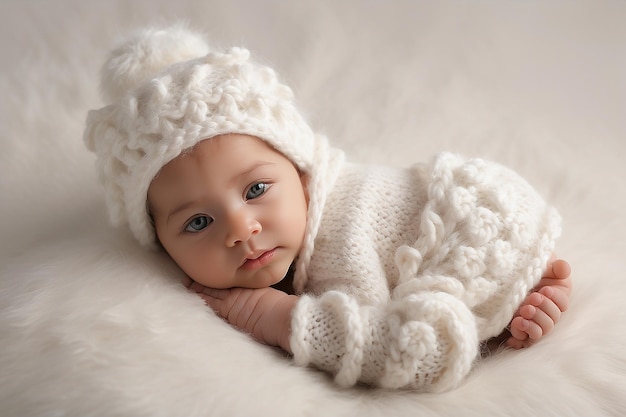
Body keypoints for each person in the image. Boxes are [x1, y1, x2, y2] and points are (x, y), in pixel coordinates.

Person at [84, 25, 572, 392]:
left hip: (478, 223)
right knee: (502, 312)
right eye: (197, 222)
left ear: (301, 172)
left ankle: (521, 287)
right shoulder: (290, 230)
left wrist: (275, 316)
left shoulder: (342, 236)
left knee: (443, 322)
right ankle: (528, 299)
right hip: (481, 221)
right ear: (160, 243)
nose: (240, 228)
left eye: (255, 190)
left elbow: (418, 353)